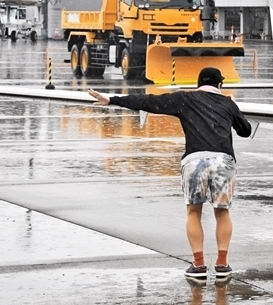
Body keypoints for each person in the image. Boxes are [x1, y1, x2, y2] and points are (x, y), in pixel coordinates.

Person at [88, 67, 252, 280]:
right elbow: (245, 130)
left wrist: (112, 100)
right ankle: (222, 264)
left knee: (194, 212)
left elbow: (149, 101)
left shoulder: (185, 98)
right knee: (222, 211)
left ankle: (199, 265)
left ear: (198, 84)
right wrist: (232, 112)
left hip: (195, 160)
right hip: (223, 160)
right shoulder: (227, 103)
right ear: (220, 85)